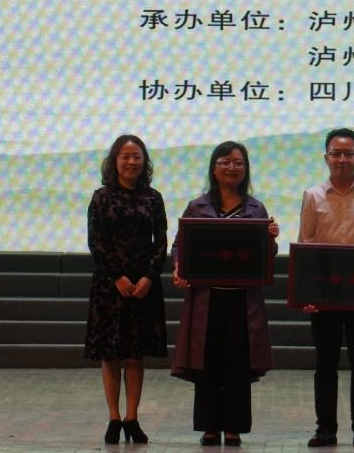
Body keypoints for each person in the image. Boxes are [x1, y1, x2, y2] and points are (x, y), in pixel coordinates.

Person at [171, 141, 280, 447]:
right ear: (214, 167)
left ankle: (233, 427)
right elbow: (179, 245)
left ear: (246, 169)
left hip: (242, 300)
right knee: (207, 362)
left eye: (238, 162)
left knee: (237, 362)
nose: (232, 167)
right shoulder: (197, 207)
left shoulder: (256, 208)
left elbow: (266, 256)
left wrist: (272, 240)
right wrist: (179, 267)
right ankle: (209, 426)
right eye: (225, 162)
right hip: (206, 299)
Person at [299, 128, 354, 448]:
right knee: (325, 364)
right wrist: (307, 292)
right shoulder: (312, 195)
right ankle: (325, 428)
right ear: (326, 158)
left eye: (348, 154)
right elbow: (306, 244)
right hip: (324, 295)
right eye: (335, 153)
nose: (341, 159)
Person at [84, 134, 168, 445]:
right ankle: (114, 417)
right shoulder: (101, 198)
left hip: (144, 285)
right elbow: (96, 242)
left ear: (144, 161)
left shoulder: (153, 198)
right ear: (114, 161)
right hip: (109, 286)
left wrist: (149, 277)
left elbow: (161, 242)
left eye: (137, 156)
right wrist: (116, 276)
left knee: (135, 354)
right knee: (110, 354)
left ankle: (132, 417)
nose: (131, 162)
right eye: (125, 156)